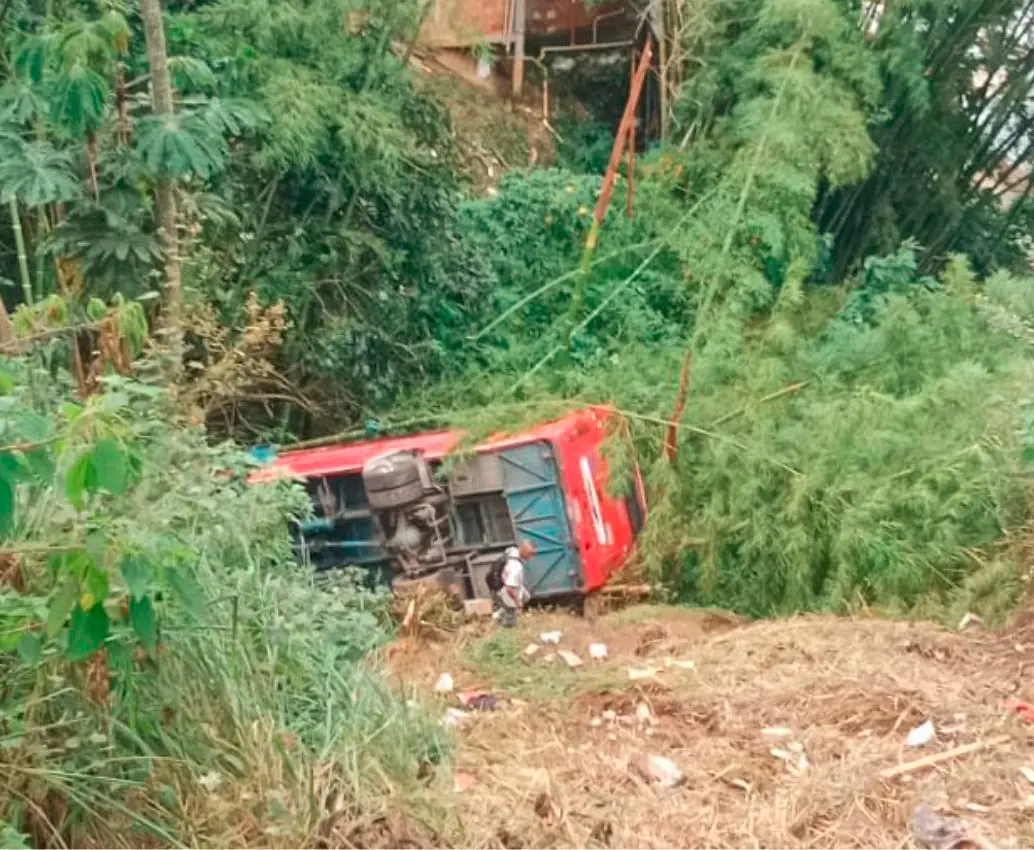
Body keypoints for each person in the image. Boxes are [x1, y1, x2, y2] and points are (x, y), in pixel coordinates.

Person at [490, 540, 535, 628]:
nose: (531, 557)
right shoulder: (516, 567)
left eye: (533, 553)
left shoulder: (513, 551)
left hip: (508, 583)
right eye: (530, 553)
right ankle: (505, 629)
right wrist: (518, 602)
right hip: (505, 589)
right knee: (511, 618)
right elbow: (510, 589)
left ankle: (499, 612)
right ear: (522, 550)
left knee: (526, 597)